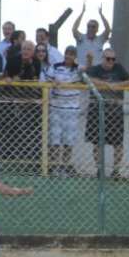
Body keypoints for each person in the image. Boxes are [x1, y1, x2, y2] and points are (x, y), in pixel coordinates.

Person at [85, 49, 129, 178]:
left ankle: (116, 171)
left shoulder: (119, 68)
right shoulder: (96, 69)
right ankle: (99, 170)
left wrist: (117, 84)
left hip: (115, 111)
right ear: (102, 58)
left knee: (118, 143)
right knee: (97, 142)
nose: (111, 61)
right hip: (97, 110)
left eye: (113, 59)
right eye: (108, 58)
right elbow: (89, 79)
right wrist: (107, 84)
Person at [42, 46, 82, 176]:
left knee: (68, 140)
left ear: (75, 56)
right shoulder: (55, 66)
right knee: (55, 139)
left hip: (72, 109)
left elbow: (87, 72)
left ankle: (64, 166)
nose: (68, 56)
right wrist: (54, 81)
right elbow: (47, 79)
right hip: (56, 106)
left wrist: (89, 59)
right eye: (67, 53)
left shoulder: (78, 69)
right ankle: (54, 167)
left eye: (71, 54)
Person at [72, 3, 112, 70]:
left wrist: (101, 14)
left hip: (96, 72)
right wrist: (82, 12)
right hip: (82, 70)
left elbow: (108, 29)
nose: (90, 28)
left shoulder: (100, 39)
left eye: (93, 27)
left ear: (97, 29)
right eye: (89, 26)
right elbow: (74, 29)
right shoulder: (81, 38)